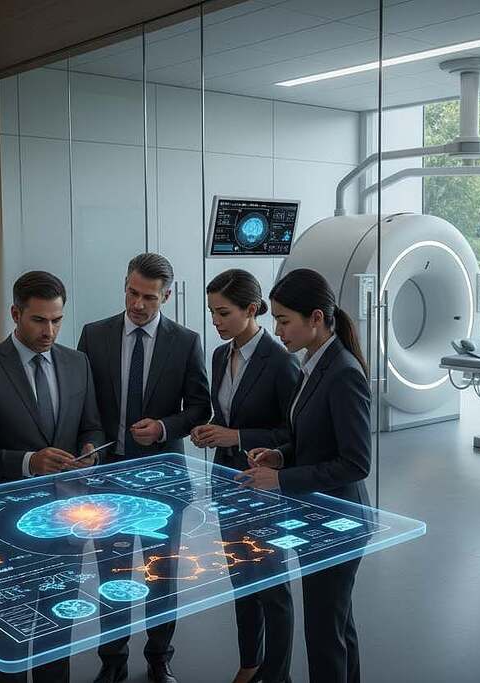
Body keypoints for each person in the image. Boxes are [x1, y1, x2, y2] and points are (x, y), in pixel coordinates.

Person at [0, 270, 105, 683]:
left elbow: (91, 426)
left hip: (69, 520)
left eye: (57, 320)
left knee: (58, 628)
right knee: (11, 629)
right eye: (39, 320)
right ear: (15, 314)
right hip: (5, 524)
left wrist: (91, 450)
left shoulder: (78, 363)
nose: (50, 331)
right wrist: (28, 462)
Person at [77, 252, 210, 683]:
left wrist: (165, 426)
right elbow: (84, 405)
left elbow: (200, 407)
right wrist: (90, 445)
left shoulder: (186, 341)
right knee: (111, 574)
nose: (138, 304)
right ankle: (112, 664)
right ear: (125, 286)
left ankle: (159, 660)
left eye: (149, 297)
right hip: (108, 473)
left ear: (166, 296)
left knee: (161, 575)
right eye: (133, 293)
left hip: (163, 479)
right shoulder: (93, 336)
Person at [238, 268, 372, 683]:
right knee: (336, 625)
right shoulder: (314, 362)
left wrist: (281, 482)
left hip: (341, 521)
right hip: (320, 516)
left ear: (316, 318)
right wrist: (279, 455)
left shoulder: (343, 372)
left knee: (324, 633)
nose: (276, 329)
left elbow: (356, 463)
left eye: (282, 320)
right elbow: (312, 438)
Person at [190, 269, 299, 683]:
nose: (215, 322)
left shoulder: (281, 361)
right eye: (212, 312)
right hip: (227, 480)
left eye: (223, 313)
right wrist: (211, 430)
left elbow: (291, 435)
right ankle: (250, 663)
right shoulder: (221, 355)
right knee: (242, 576)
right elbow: (225, 415)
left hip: (264, 485)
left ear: (251, 310)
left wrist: (236, 435)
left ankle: (278, 674)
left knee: (273, 584)